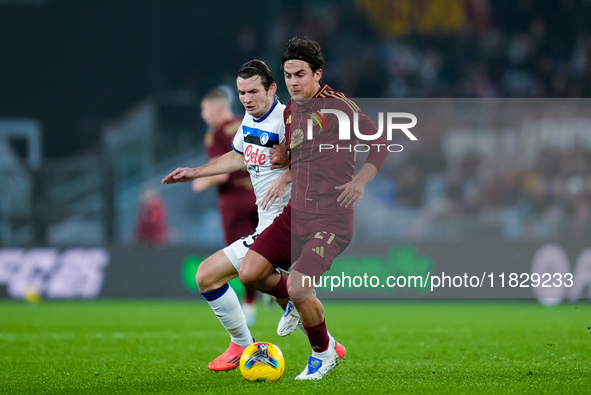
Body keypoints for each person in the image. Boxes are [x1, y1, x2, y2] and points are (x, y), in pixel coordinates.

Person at [238, 37, 389, 380]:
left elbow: (380, 143)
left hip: (331, 220)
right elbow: (303, 154)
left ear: (318, 73)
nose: (293, 82)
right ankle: (295, 299)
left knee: (300, 287)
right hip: (296, 214)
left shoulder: (341, 107)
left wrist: (360, 181)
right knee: (250, 273)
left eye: (300, 74)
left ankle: (323, 353)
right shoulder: (291, 110)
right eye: (288, 75)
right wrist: (284, 160)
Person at [162, 60, 292, 371]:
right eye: (242, 92)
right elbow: (237, 156)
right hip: (266, 221)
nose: (247, 99)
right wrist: (195, 172)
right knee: (268, 288)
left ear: (272, 89)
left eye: (253, 91)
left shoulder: (289, 119)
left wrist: (288, 175)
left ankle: (242, 345)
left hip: (288, 223)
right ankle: (327, 345)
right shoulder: (249, 119)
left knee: (210, 275)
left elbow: (320, 159)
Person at [194, 87, 260, 326]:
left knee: (240, 256)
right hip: (261, 195)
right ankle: (281, 283)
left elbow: (221, 174)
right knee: (266, 246)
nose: (203, 115)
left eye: (204, 109)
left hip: (234, 202)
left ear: (215, 108)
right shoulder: (249, 122)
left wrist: (200, 181)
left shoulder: (216, 133)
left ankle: (250, 307)